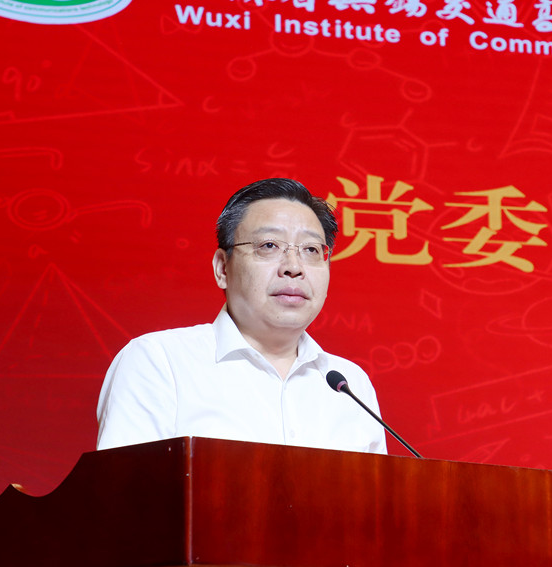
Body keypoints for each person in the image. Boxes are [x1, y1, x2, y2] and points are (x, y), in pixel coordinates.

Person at [96, 178, 387, 454]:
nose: (293, 267)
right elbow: (125, 487)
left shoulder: (350, 384)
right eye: (269, 246)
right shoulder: (160, 362)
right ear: (223, 268)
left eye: (311, 249)